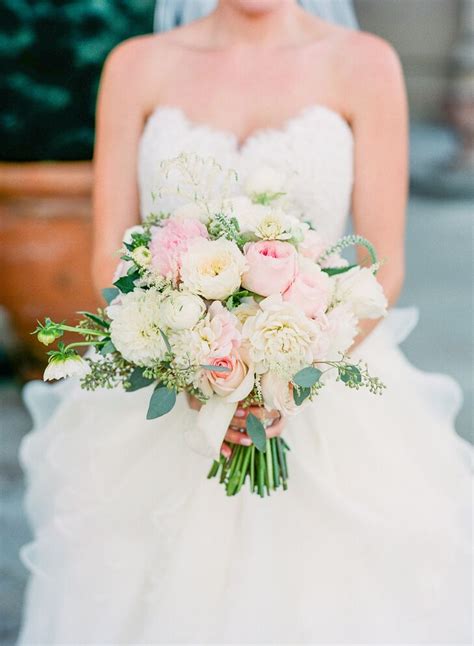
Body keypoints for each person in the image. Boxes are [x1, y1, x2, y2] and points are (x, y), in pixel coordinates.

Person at [18, 1, 471, 643]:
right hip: (167, 378)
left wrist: (282, 378)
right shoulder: (136, 66)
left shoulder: (365, 65)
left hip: (324, 381)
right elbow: (107, 253)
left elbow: (383, 265)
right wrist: (192, 367)